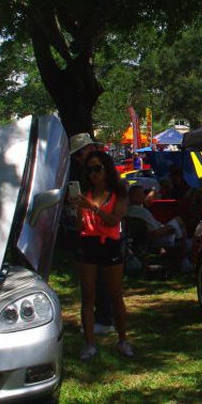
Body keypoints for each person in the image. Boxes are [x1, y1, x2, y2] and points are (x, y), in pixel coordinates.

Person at [71, 149, 133, 359]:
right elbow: (80, 225)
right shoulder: (86, 195)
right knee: (88, 296)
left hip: (110, 245)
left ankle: (123, 340)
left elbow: (114, 220)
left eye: (97, 168)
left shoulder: (119, 193)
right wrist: (79, 210)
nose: (93, 174)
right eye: (89, 170)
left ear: (107, 169)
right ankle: (90, 344)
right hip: (88, 244)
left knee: (115, 294)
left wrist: (93, 208)